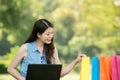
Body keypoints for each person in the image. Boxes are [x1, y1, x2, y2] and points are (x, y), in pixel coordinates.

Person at [7, 19, 86, 80]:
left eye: (52, 33)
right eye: (48, 34)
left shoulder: (53, 49)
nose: (51, 36)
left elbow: (60, 73)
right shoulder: (25, 48)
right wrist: (22, 79)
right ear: (38, 34)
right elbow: (10, 68)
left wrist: (75, 61)